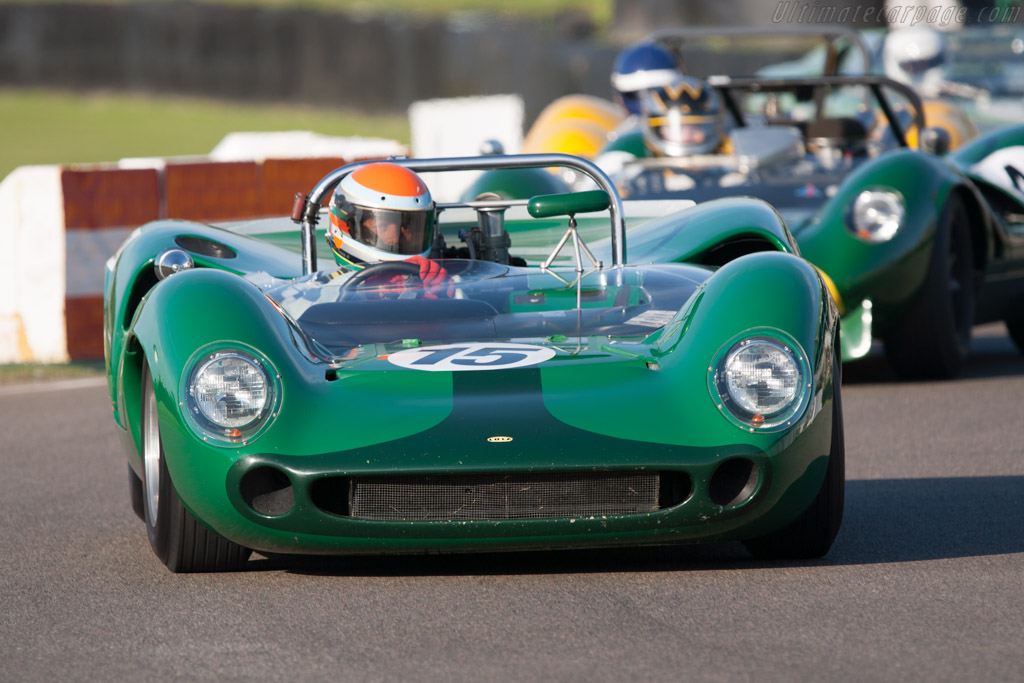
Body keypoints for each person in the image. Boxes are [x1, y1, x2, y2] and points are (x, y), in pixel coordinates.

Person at [327, 161, 453, 298]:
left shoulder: (432, 283)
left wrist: (441, 304)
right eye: (382, 226)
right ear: (348, 226)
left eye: (406, 227)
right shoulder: (321, 291)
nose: (395, 238)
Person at [882, 25, 949, 98]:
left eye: (930, 63)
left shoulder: (956, 94)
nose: (921, 69)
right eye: (913, 65)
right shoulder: (883, 98)